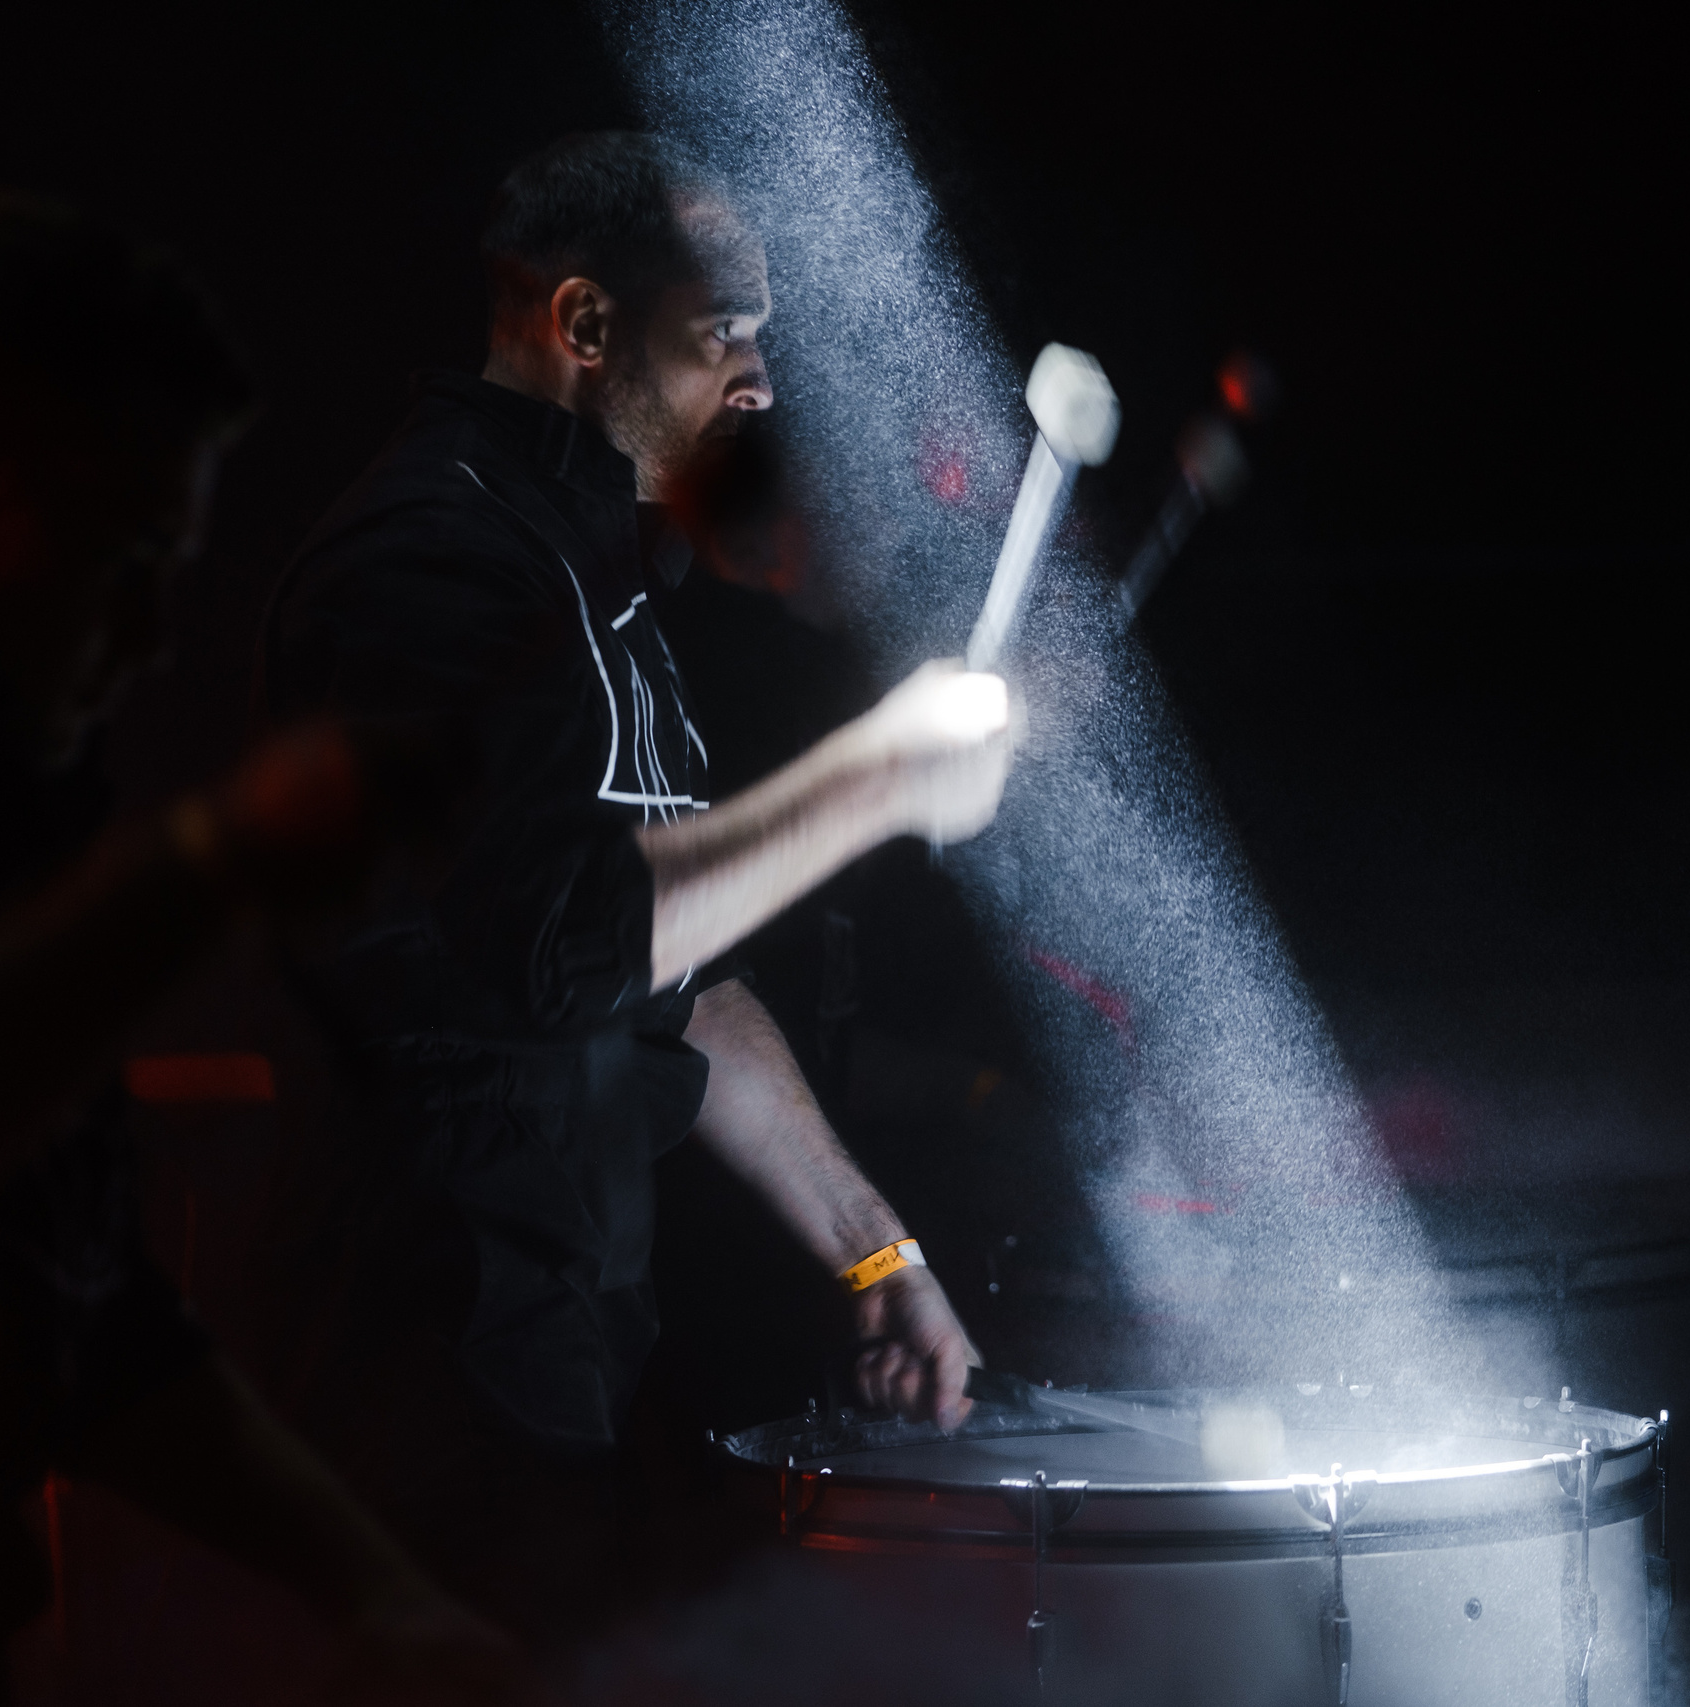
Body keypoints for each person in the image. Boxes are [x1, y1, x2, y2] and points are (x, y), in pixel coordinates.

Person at [0, 195, 548, 1706]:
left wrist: (384, 1600)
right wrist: (216, 863)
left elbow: (91, 1301)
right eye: (123, 560)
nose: (157, 636)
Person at [254, 132, 1012, 1640]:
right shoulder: (427, 563)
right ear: (587, 325)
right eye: (721, 329)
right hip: (430, 1397)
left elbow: (679, 970)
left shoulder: (595, 570)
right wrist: (874, 777)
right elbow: (563, 947)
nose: (760, 380)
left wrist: (873, 1246)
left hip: (580, 1373)